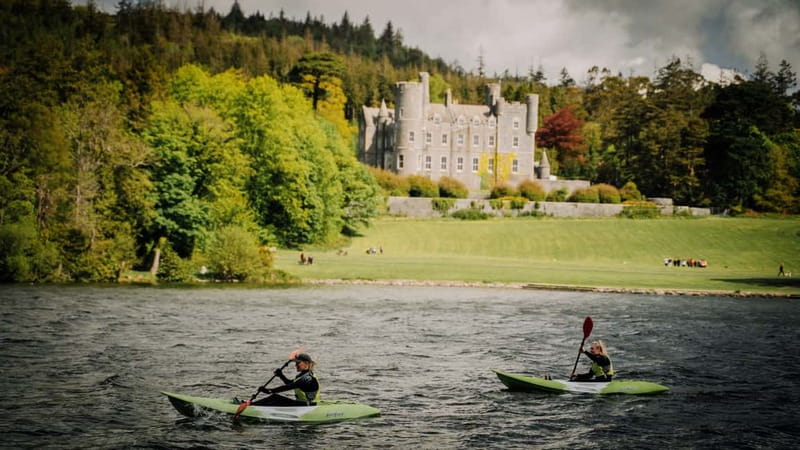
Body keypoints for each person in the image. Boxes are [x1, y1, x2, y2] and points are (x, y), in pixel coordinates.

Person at [252, 353, 320, 406]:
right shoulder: (302, 375)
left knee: (275, 398)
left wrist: (269, 391)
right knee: (275, 397)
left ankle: (251, 406)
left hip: (308, 406)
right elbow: (289, 383)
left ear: (306, 363)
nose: (296, 365)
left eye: (298, 363)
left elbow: (288, 387)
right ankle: (252, 405)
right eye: (296, 363)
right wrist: (281, 375)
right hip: (301, 404)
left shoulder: (308, 379)